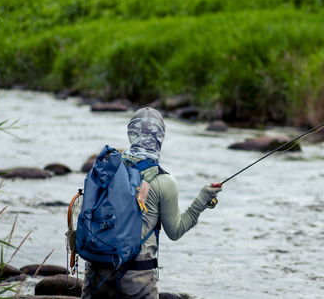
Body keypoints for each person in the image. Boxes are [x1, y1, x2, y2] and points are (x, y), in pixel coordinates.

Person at [81, 107, 222, 299]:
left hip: (97, 271)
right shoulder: (164, 181)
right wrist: (202, 201)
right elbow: (175, 231)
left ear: (131, 133)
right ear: (160, 137)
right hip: (137, 276)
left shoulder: (107, 169)